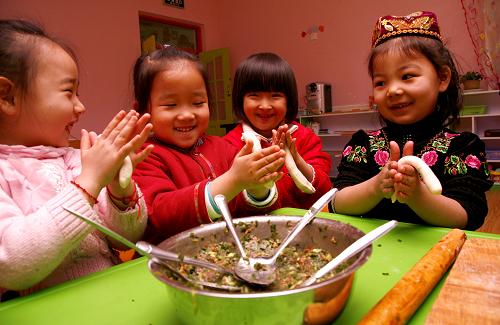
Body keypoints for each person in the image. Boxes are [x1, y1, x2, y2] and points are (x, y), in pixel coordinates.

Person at [0, 19, 154, 298]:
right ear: (7, 96)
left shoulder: (76, 159)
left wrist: (119, 190)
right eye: (68, 92)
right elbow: (12, 264)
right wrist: (89, 183)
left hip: (112, 294)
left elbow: (126, 238)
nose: (81, 106)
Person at [330, 11, 492, 230]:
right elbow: (337, 203)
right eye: (380, 82)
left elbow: (467, 215)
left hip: (435, 256)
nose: (393, 90)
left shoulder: (462, 147)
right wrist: (376, 186)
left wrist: (418, 196)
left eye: (407, 76)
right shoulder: (363, 144)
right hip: (369, 253)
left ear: (442, 78)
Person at [132, 45, 286, 242]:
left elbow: (255, 210)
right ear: (142, 111)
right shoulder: (143, 156)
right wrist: (233, 181)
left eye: (198, 103)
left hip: (229, 254)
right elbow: (160, 215)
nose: (187, 114)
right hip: (170, 262)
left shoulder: (223, 147)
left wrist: (258, 188)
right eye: (170, 105)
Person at [224, 52, 332, 209]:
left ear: (289, 100)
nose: (265, 106)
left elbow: (324, 189)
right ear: (240, 99)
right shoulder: (229, 144)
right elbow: (229, 203)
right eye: (254, 95)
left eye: (275, 95)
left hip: (304, 226)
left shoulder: (304, 137)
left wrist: (297, 161)